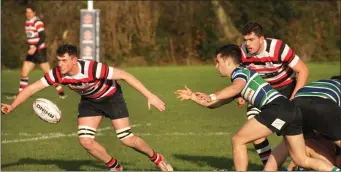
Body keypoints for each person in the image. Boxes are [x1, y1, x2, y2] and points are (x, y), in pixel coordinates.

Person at [1, 44, 173, 171]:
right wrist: (12, 106)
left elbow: (125, 75)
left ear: (74, 60)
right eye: (59, 60)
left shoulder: (92, 68)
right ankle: (115, 167)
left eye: (64, 60)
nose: (60, 64)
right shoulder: (57, 73)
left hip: (112, 98)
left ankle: (157, 158)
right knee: (85, 141)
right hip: (90, 102)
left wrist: (149, 95)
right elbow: (32, 88)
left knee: (127, 139)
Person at [174, 44, 338, 171]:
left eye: (218, 62)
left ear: (228, 61)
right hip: (290, 110)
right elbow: (214, 104)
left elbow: (235, 89)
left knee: (238, 140)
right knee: (301, 160)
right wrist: (193, 97)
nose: (216, 66)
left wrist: (212, 95)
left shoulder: (240, 73)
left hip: (277, 108)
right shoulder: (241, 77)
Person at [237, 22, 309, 165]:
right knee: (254, 132)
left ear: (261, 39)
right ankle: (269, 166)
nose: (248, 44)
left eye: (251, 40)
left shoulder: (278, 48)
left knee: (291, 134)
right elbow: (241, 75)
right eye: (245, 40)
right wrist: (240, 94)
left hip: (287, 89)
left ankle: (299, 165)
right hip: (262, 92)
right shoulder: (242, 52)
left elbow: (303, 70)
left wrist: (294, 96)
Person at [265, 76, 341, 170]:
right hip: (322, 105)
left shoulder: (321, 82)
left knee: (287, 143)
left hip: (294, 104)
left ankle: (268, 169)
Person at [7, 5, 66, 99]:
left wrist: (35, 47)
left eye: (30, 12)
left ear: (34, 13)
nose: (28, 14)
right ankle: (20, 94)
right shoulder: (27, 23)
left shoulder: (37, 22)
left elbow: (42, 37)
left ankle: (60, 92)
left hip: (39, 51)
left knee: (48, 73)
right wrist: (31, 47)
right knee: (24, 72)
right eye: (27, 12)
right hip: (32, 51)